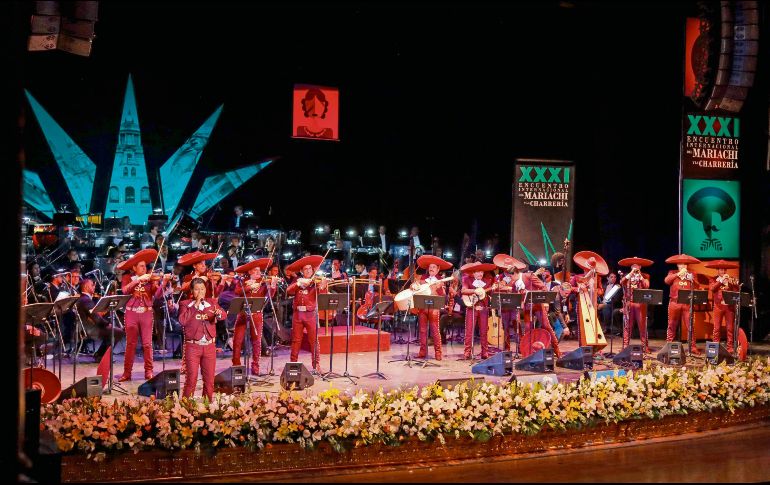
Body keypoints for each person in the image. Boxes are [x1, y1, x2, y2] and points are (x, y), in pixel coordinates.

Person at [117, 249, 163, 381]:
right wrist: (138, 280)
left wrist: (162, 283)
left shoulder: (150, 278)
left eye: (145, 266)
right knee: (130, 344)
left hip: (146, 313)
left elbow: (158, 295)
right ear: (134, 268)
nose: (145, 268)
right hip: (131, 313)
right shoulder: (127, 278)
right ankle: (127, 373)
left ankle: (149, 371)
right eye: (141, 266)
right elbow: (125, 290)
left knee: (147, 344)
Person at [178, 278, 226, 399]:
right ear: (192, 291)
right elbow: (183, 320)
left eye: (202, 289)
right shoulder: (185, 304)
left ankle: (207, 407)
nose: (200, 292)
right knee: (191, 379)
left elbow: (223, 315)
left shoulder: (212, 302)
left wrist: (218, 314)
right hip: (193, 347)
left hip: (210, 346)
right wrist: (196, 305)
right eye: (197, 289)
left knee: (209, 380)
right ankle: (185, 408)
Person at [231, 258, 275, 375]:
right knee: (237, 340)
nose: (258, 273)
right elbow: (237, 292)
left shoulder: (263, 282)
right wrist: (249, 287)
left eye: (259, 271)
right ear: (249, 272)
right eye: (255, 271)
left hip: (257, 314)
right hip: (243, 314)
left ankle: (255, 365)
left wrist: (273, 285)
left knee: (256, 341)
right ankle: (236, 364)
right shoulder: (242, 281)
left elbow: (270, 295)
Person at [285, 255, 328, 372]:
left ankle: (316, 364)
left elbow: (323, 293)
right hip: (298, 314)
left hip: (310, 314)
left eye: (310, 269)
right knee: (296, 340)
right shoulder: (297, 281)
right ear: (301, 271)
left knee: (313, 340)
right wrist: (298, 284)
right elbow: (288, 291)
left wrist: (323, 285)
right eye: (306, 269)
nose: (308, 271)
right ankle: (293, 364)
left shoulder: (315, 282)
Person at [76, 276, 125, 363]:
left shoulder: (83, 299)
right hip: (90, 329)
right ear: (86, 287)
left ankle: (100, 354)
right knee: (118, 332)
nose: (94, 287)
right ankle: (101, 356)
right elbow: (96, 318)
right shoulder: (86, 300)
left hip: (87, 327)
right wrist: (107, 324)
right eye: (92, 285)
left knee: (112, 331)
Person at [412, 255, 452, 360]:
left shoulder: (440, 280)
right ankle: (422, 352)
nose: (431, 268)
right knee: (422, 330)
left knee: (435, 330)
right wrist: (414, 285)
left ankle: (438, 353)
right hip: (423, 307)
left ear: (438, 269)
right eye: (430, 267)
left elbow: (443, 297)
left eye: (434, 267)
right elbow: (414, 287)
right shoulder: (423, 278)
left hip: (434, 308)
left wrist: (438, 288)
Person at [664, 253, 702, 355]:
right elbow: (666, 281)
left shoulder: (692, 273)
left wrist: (691, 279)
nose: (683, 266)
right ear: (677, 265)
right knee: (671, 324)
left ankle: (693, 347)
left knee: (690, 325)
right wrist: (677, 274)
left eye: (685, 264)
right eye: (681, 264)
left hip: (687, 303)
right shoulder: (672, 272)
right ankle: (669, 344)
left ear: (687, 265)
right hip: (674, 302)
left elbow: (698, 286)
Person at [460, 261, 497, 359]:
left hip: (483, 308)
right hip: (471, 307)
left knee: (484, 331)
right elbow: (463, 290)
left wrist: (495, 289)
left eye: (481, 271)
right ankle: (467, 352)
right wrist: (474, 291)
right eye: (477, 271)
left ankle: (484, 352)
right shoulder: (466, 279)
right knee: (469, 330)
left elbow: (493, 291)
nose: (480, 273)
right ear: (473, 273)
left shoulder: (488, 281)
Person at [492, 254, 527, 352]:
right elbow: (495, 290)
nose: (507, 268)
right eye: (506, 266)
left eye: (509, 266)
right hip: (504, 306)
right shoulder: (498, 277)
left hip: (515, 305)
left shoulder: (517, 276)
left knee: (517, 325)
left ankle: (521, 347)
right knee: (505, 326)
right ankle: (506, 348)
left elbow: (520, 290)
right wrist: (507, 288)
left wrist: (506, 287)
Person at [705, 260, 741, 351]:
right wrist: (721, 281)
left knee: (730, 328)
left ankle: (730, 347)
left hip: (729, 307)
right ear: (718, 270)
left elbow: (737, 293)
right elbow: (712, 288)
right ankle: (716, 346)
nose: (723, 272)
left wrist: (735, 284)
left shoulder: (731, 279)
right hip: (718, 306)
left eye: (725, 270)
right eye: (721, 270)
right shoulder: (713, 279)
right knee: (717, 328)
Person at [618, 258, 653, 352]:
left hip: (640, 304)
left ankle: (645, 346)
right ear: (631, 267)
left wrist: (640, 276)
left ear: (640, 267)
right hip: (628, 303)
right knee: (627, 325)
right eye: (633, 266)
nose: (635, 267)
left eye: (637, 266)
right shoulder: (626, 276)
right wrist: (630, 274)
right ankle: (625, 345)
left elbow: (646, 286)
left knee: (642, 325)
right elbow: (621, 283)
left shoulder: (645, 276)